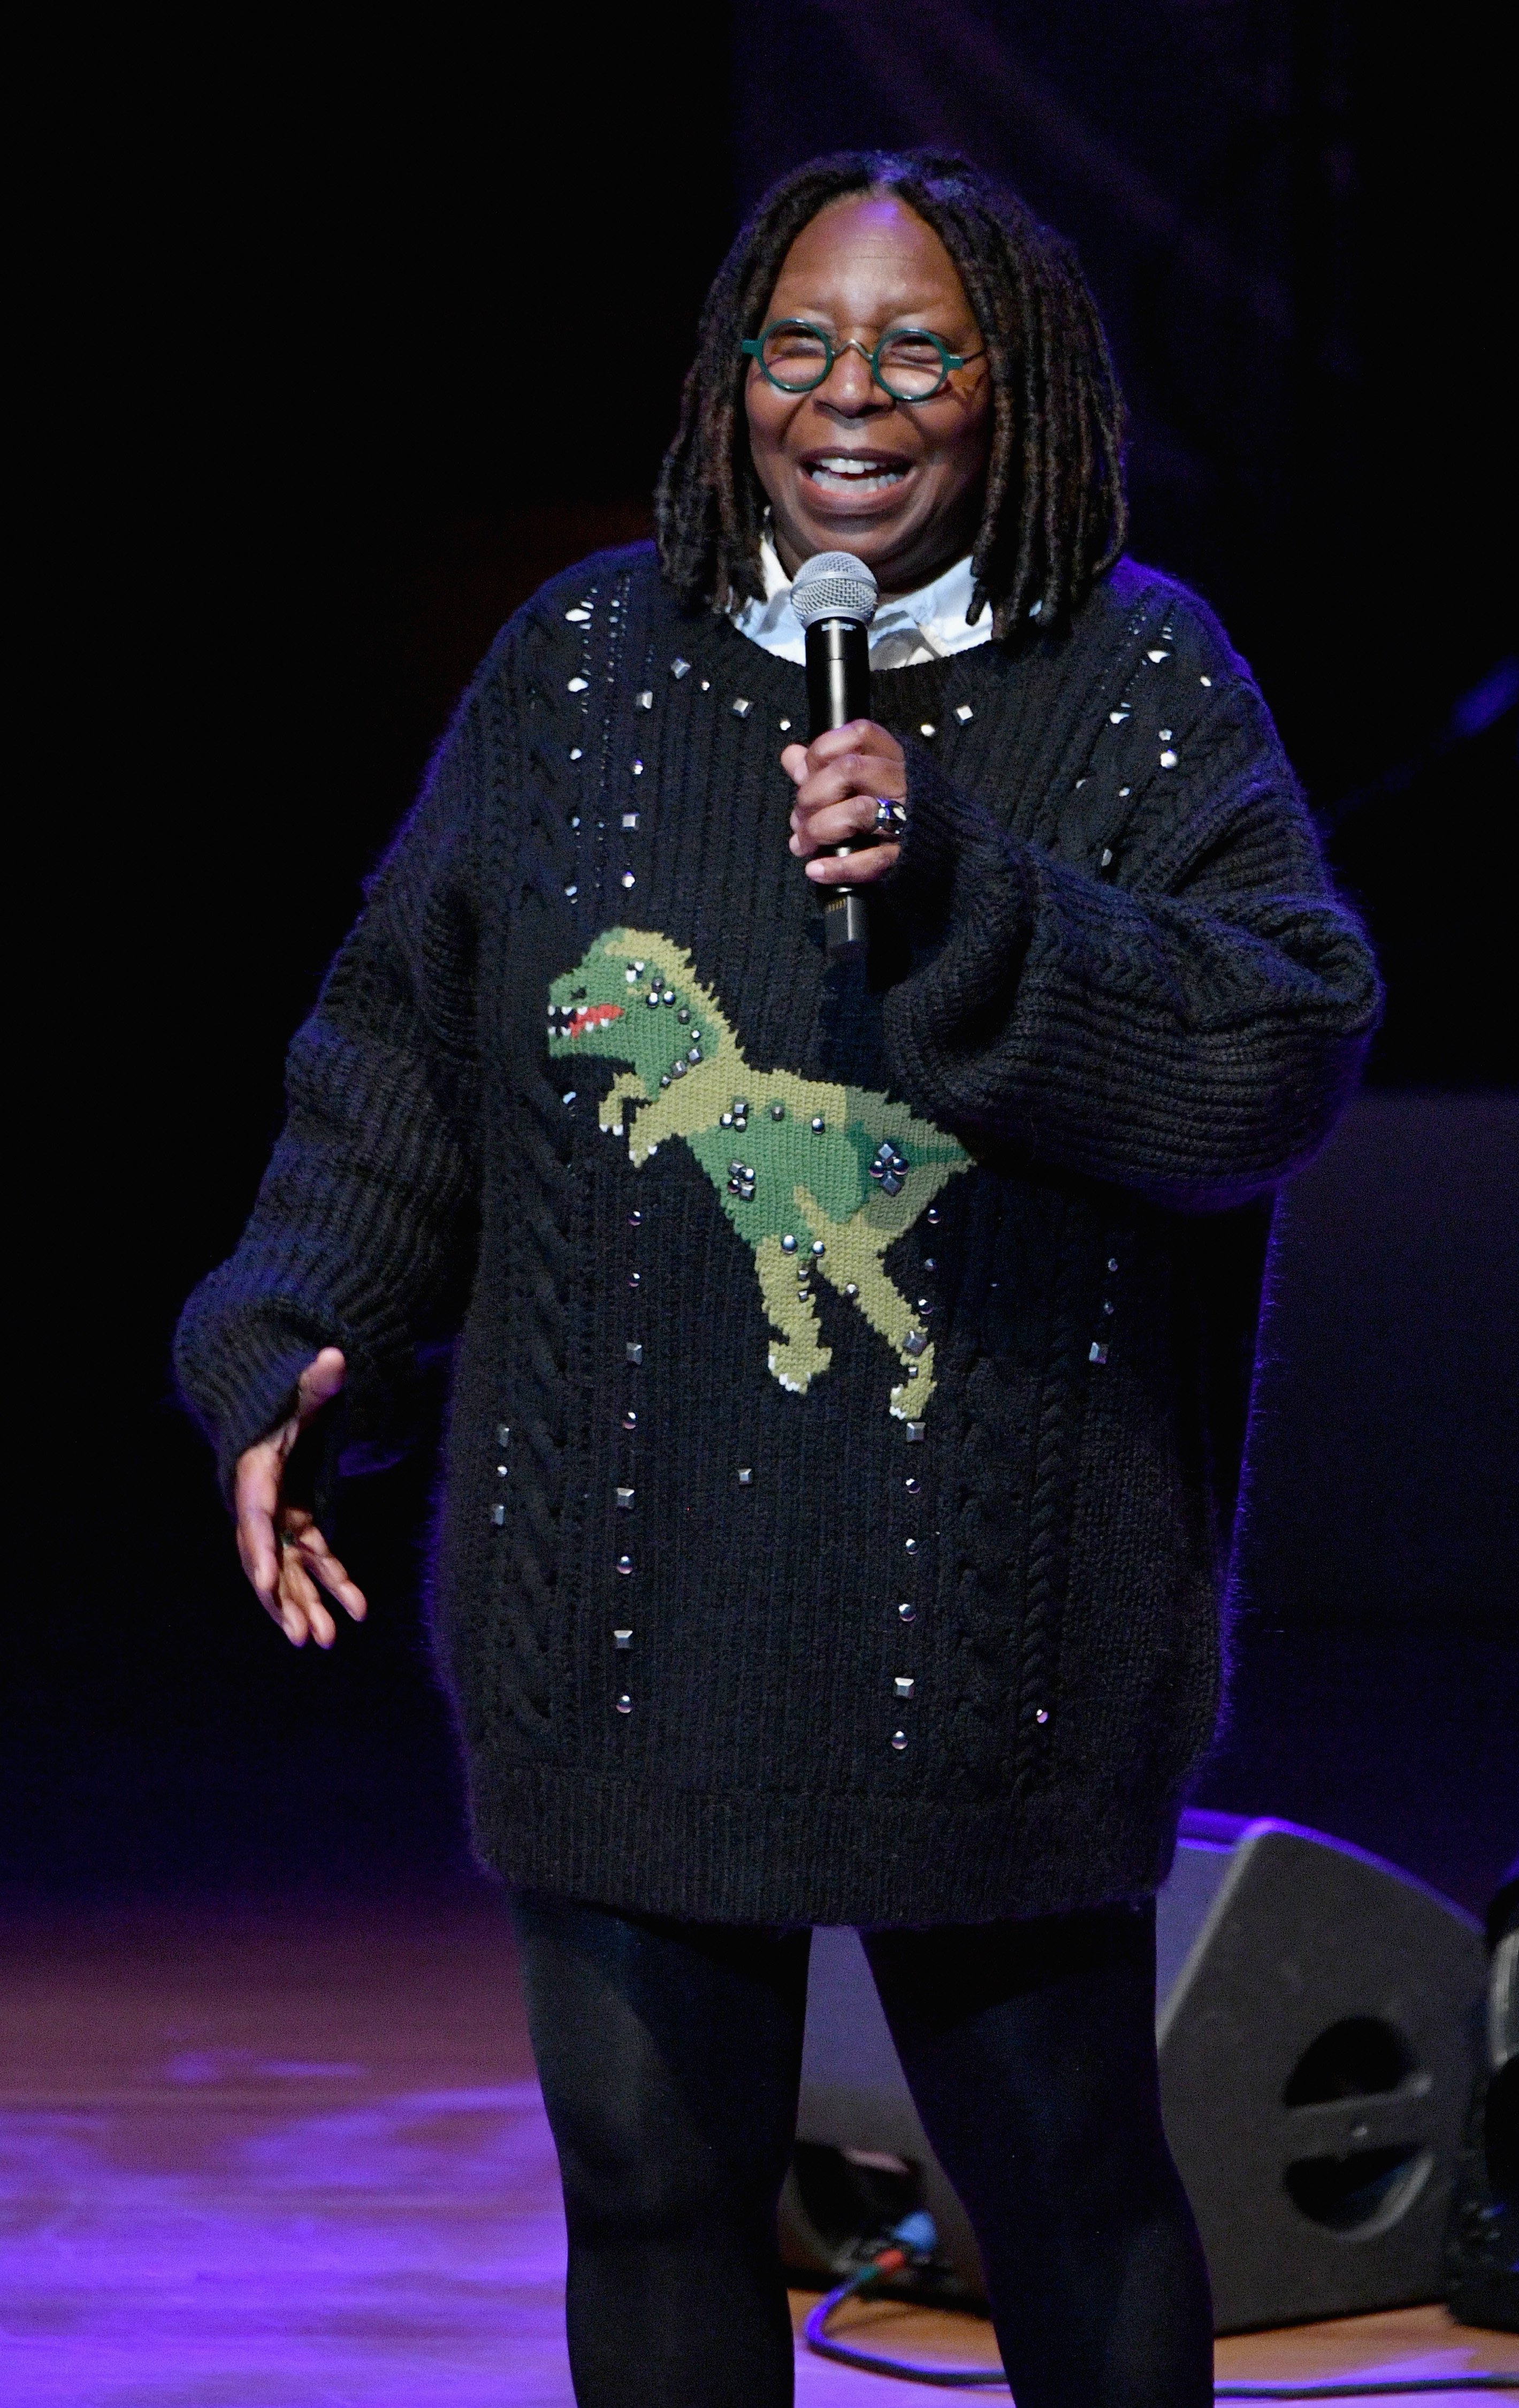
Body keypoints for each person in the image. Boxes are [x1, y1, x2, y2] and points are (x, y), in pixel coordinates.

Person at [176, 148, 1381, 2407]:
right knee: (649, 2194)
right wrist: (293, 1326)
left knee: (1068, 2188)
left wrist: (966, 892)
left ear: (1010, 393)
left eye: (920, 352)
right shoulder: (582, 668)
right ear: (736, 378)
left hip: (988, 1625)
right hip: (626, 1602)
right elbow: (409, 1043)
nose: (854, 400)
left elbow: (1279, 1048)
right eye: (801, 347)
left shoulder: (1130, 676)